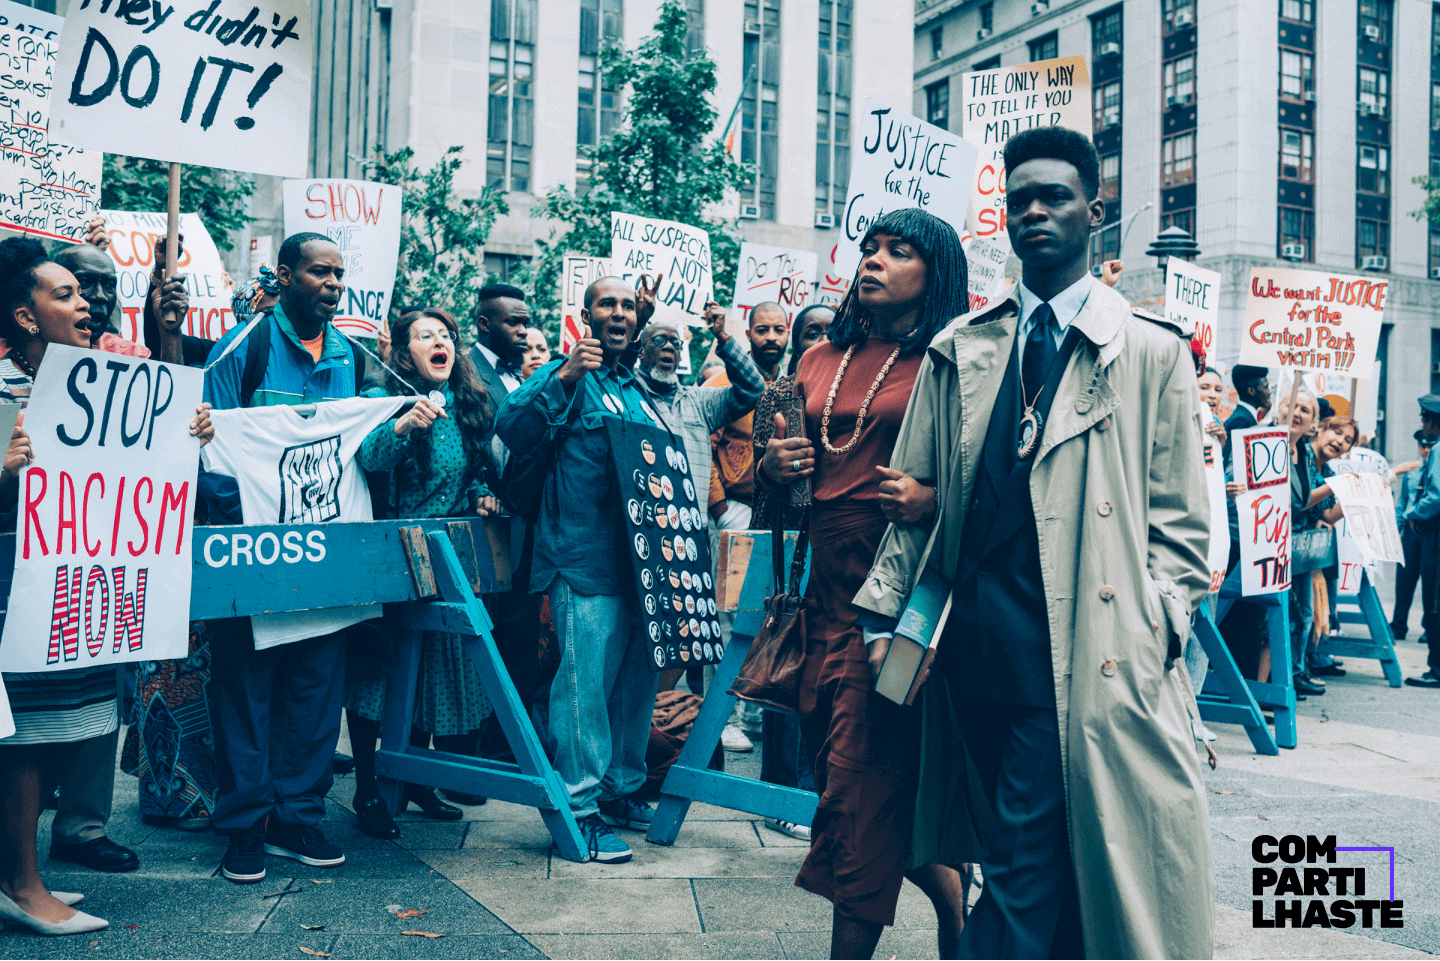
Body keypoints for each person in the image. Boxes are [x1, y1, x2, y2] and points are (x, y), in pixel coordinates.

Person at [854, 128, 1214, 958]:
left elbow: (1182, 526)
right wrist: (884, 626)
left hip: (1086, 655)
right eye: (1019, 199)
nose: (1034, 211)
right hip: (966, 652)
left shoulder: (1154, 353)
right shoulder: (962, 347)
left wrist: (1156, 621)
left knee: (1021, 864)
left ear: (1096, 210)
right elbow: (911, 506)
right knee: (1023, 855)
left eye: (1054, 195)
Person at [759, 207, 972, 960]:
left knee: (853, 796)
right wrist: (774, 469)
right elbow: (775, 481)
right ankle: (957, 913)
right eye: (870, 248)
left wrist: (932, 499)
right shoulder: (820, 354)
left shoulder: (957, 358)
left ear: (936, 270)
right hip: (821, 595)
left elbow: (995, 481)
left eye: (899, 250)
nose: (875, 260)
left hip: (894, 604)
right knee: (851, 788)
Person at [0, 237, 211, 935]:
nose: (87, 304)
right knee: (26, 740)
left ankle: (22, 874)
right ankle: (22, 886)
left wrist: (186, 432)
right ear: (25, 316)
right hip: (17, 602)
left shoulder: (106, 384)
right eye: (65, 294)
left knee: (60, 732)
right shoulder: (3, 392)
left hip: (75, 598)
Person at [200, 232, 366, 884]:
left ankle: (298, 815)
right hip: (254, 554)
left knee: (316, 690)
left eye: (340, 273)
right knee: (246, 690)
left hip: (326, 555)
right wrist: (249, 519)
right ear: (285, 274)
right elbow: (204, 445)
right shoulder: (245, 347)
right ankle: (245, 825)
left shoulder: (351, 355)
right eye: (319, 271)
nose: (332, 283)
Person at [494, 276, 665, 865]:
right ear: (586, 313)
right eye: (606, 303)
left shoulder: (636, 386)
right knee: (581, 693)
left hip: (639, 569)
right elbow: (510, 428)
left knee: (633, 691)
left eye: (627, 305)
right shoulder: (566, 373)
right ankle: (580, 811)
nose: (618, 312)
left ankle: (619, 793)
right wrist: (565, 375)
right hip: (581, 562)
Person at [346, 308, 499, 838]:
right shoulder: (383, 401)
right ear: (403, 352)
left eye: (446, 336)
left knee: (431, 672)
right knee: (380, 678)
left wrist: (483, 497)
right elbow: (366, 460)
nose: (441, 342)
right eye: (425, 336)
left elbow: (477, 472)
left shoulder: (470, 406)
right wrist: (403, 425)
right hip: (390, 557)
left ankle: (414, 782)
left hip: (447, 557)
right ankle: (368, 789)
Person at [637, 303, 765, 753]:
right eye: (659, 339)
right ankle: (635, 741)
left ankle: (663, 735)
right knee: (641, 646)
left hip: (688, 542)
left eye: (676, 341)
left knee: (687, 637)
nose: (669, 347)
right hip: (641, 541)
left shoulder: (698, 400)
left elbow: (752, 389)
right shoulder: (626, 397)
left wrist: (726, 339)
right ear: (640, 348)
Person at [465, 284, 543, 785]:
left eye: (526, 321)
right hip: (485, 517)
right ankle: (475, 746)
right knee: (483, 633)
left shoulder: (524, 376)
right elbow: (471, 438)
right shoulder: (468, 368)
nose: (522, 329)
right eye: (513, 322)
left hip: (527, 521)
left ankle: (505, 743)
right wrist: (481, 488)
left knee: (518, 631)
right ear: (484, 325)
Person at [1404, 395, 1440, 686]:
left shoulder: (1439, 450)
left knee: (1434, 601)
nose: (1423, 425)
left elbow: (1436, 494)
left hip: (1435, 534)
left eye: (1424, 419)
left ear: (1432, 421)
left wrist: (1413, 513)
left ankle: (1436, 669)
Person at [1393, 428, 1433, 639]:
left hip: (1431, 533)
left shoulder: (1437, 471)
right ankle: (1399, 624)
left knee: (1431, 583)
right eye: (1422, 445)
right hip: (1410, 533)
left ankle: (1430, 628)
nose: (1426, 449)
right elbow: (1403, 503)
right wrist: (1396, 529)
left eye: (1429, 445)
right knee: (1404, 580)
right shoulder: (1412, 472)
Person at [1224, 364, 1271, 472]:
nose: (1269, 391)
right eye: (1266, 387)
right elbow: (1230, 463)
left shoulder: (1246, 416)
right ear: (1251, 391)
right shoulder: (1241, 421)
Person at [786, 304, 834, 376]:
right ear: (797, 350)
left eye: (833, 333)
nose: (825, 340)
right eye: (813, 335)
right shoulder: (783, 387)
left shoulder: (855, 385)